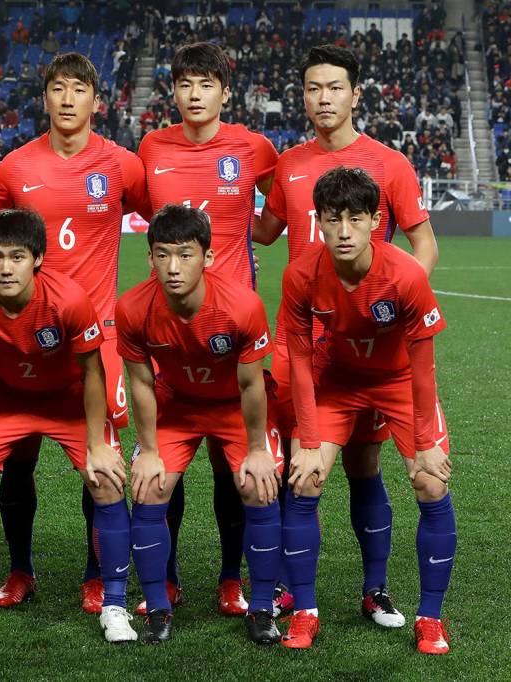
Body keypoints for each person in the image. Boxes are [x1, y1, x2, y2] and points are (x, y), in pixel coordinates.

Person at [254, 45, 440, 628]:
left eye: (335, 87)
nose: (324, 98)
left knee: (363, 464)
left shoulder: (388, 163)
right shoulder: (287, 165)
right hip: (301, 348)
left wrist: (382, 307)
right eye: (313, 88)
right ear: (302, 95)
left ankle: (375, 588)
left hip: (369, 347)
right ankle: (290, 590)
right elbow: (263, 232)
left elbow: (424, 245)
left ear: (356, 94)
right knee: (298, 467)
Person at [0, 51, 149, 613]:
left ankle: (98, 575)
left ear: (97, 101)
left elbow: (165, 228)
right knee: (16, 456)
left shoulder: (124, 165)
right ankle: (19, 569)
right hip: (21, 339)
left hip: (96, 343)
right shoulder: (16, 167)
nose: (68, 99)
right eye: (57, 88)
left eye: (79, 89)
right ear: (45, 98)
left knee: (99, 462)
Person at [0, 209, 136, 643]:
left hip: (67, 398)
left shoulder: (68, 299)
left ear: (38, 258)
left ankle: (115, 604)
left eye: (17, 256)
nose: (6, 268)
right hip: (6, 396)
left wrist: (99, 444)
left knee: (107, 480)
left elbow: (93, 371)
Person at [135, 40, 284, 618]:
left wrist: (256, 237)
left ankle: (229, 578)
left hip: (236, 329)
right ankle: (165, 577)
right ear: (172, 92)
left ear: (226, 91)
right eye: (184, 85)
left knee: (235, 466)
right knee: (165, 466)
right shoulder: (152, 147)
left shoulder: (253, 147)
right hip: (171, 327)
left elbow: (279, 212)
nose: (195, 96)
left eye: (206, 85)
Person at [278, 167, 454, 655]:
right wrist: (309, 441)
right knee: (305, 478)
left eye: (356, 219)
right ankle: (305, 612)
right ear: (319, 222)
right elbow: (298, 357)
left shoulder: (405, 274)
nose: (344, 231)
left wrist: (423, 443)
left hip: (399, 383)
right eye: (333, 220)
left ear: (376, 220)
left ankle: (431, 618)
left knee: (430, 481)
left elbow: (422, 366)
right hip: (336, 383)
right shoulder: (301, 275)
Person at [117, 204, 284, 644]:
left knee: (257, 485)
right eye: (162, 254)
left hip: (232, 407)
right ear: (149, 257)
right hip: (177, 407)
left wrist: (257, 450)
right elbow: (141, 383)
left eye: (186, 254)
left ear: (207, 258)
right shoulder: (133, 308)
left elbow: (252, 387)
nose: (173, 267)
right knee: (149, 487)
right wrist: (149, 451)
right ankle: (158, 608)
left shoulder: (242, 306)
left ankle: (263, 608)